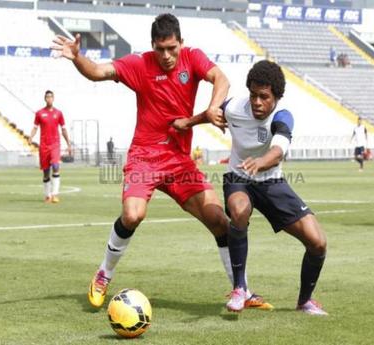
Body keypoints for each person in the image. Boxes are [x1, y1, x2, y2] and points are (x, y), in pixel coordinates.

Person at [51, 13, 271, 310]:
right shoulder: (139, 64)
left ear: (181, 43)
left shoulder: (192, 58)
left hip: (180, 162)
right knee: (132, 215)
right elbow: (97, 72)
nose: (166, 56)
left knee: (220, 222)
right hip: (145, 156)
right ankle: (104, 273)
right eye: (160, 49)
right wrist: (78, 57)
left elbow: (222, 78)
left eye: (172, 48)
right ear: (152, 45)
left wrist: (212, 108)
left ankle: (241, 289)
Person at [216, 60, 328, 315]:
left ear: (276, 97)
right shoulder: (235, 106)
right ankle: (239, 288)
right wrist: (194, 120)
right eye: (253, 95)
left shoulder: (283, 116)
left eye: (264, 97)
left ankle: (305, 301)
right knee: (239, 211)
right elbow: (214, 110)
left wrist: (261, 162)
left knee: (318, 242)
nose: (257, 102)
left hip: (271, 182)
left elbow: (278, 151)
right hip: (239, 178)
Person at [28, 90, 72, 203]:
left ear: (53, 98)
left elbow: (63, 129)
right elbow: (35, 127)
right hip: (44, 146)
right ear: (45, 99)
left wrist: (68, 144)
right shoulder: (39, 113)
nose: (49, 99)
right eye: (47, 97)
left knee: (56, 166)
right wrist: (31, 136)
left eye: (51, 97)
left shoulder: (59, 113)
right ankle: (47, 195)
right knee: (46, 172)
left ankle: (55, 194)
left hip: (55, 144)